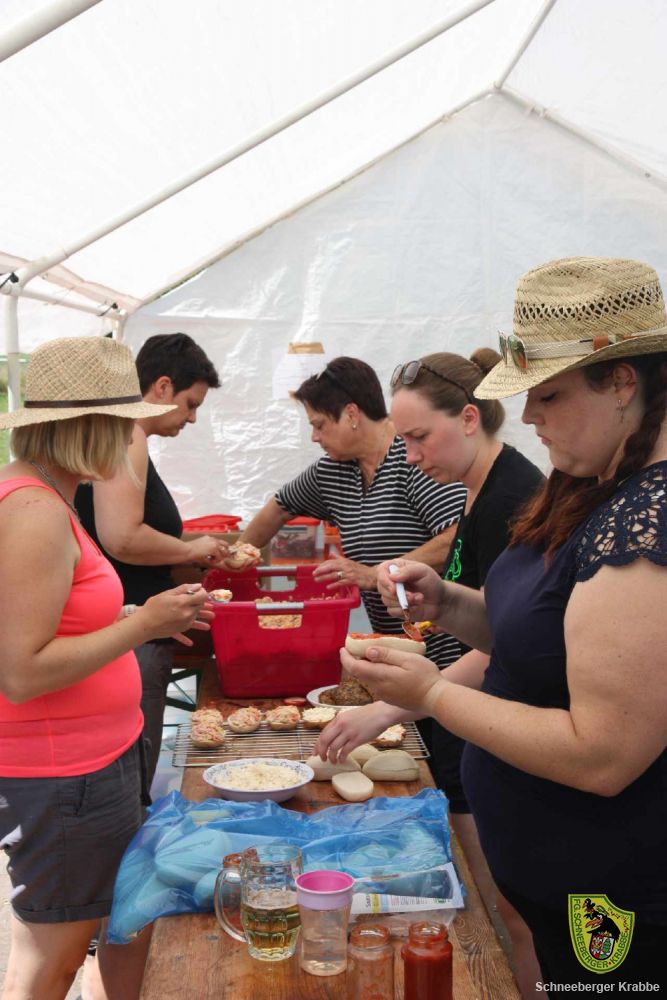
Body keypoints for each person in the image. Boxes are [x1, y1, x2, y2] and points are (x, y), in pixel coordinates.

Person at [333, 257, 667, 987]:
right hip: (558, 877)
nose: (530, 416)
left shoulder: (648, 521)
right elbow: (539, 637)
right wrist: (449, 602)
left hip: (611, 892)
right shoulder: (590, 481)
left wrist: (428, 694)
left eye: (547, 394)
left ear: (622, 382)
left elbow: (603, 756)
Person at [317, 348, 544, 996]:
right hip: (479, 724)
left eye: (418, 438)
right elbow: (495, 621)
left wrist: (393, 706)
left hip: (507, 730)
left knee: (519, 918)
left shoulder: (512, 498)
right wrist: (439, 602)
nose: (410, 456)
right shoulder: (479, 492)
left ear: (469, 418)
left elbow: (508, 646)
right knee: (508, 912)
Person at [0, 336, 212, 1000]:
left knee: (82, 933)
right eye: (122, 423)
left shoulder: (45, 496)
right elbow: (21, 671)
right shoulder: (34, 510)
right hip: (63, 776)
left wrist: (133, 615)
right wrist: (142, 626)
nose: (128, 438)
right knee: (52, 957)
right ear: (92, 426)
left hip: (84, 768)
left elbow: (53, 621)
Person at [236, 356, 467, 682]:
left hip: (445, 651)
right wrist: (238, 555)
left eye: (319, 425)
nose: (314, 437)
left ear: (352, 414)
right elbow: (279, 507)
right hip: (393, 650)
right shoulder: (332, 471)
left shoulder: (413, 458)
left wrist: (376, 574)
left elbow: (457, 537)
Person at [76, 332, 227, 787]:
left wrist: (182, 561)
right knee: (132, 773)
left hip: (126, 625)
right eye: (190, 403)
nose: (193, 417)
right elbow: (122, 536)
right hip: (131, 630)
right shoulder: (129, 434)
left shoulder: (123, 435)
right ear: (162, 387)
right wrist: (190, 549)